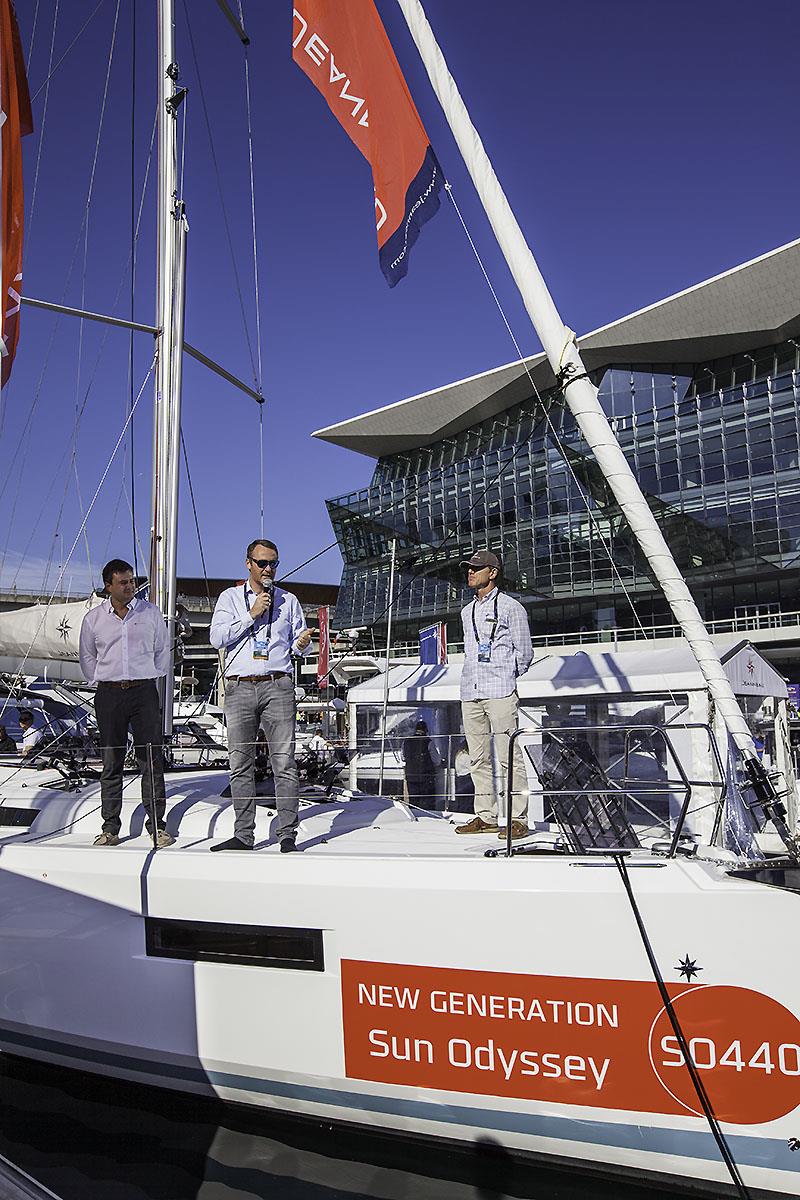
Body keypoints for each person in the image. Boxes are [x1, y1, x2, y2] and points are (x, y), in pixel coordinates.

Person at [209, 538, 312, 852]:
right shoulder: (230, 598)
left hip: (278, 685)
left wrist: (302, 645)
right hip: (239, 686)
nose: (269, 569)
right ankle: (243, 835)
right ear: (248, 563)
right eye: (263, 563)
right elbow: (216, 639)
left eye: (274, 563)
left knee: (285, 762)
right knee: (240, 763)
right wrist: (251, 614)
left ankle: (287, 834)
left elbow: (295, 644)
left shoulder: (289, 600)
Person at [78, 558, 173, 848]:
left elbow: (162, 650)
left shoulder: (150, 613)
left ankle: (157, 826)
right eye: (123, 582)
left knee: (151, 758)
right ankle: (110, 828)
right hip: (109, 694)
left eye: (131, 581)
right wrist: (103, 678)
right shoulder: (93, 619)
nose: (130, 586)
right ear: (109, 586)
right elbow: (87, 657)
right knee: (111, 760)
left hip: (143, 691)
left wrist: (149, 675)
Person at [456, 549, 533, 839]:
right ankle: (485, 816)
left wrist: (508, 674)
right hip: (470, 690)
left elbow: (524, 651)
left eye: (476, 568)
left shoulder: (512, 607)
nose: (470, 573)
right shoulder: (467, 611)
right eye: (469, 569)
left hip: (500, 689)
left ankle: (518, 818)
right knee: (477, 758)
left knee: (508, 755)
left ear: (493, 572)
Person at [403, 719, 437, 809]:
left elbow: (403, 757)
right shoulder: (428, 742)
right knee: (427, 802)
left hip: (411, 776)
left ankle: (414, 818)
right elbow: (436, 760)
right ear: (426, 730)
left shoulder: (406, 741)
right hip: (426, 776)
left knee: (413, 801)